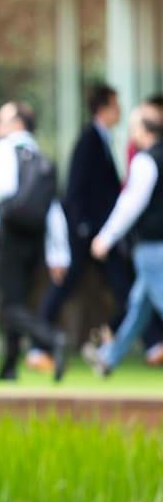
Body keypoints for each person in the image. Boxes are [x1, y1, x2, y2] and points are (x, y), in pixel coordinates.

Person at [29, 85, 163, 371]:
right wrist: (87, 231)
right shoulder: (90, 141)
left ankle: (138, 348)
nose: (121, 114)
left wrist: (106, 235)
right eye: (116, 106)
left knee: (135, 294)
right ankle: (48, 349)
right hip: (87, 233)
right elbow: (79, 190)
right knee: (127, 296)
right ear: (102, 108)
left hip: (109, 236)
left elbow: (125, 202)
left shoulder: (136, 155)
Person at [0, 101, 71, 382]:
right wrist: (59, 254)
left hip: (11, 235)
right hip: (35, 238)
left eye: (2, 120)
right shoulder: (39, 155)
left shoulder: (4, 149)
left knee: (9, 305)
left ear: (18, 124)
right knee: (17, 300)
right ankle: (9, 366)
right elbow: (54, 210)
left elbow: (2, 188)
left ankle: (50, 338)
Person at [84, 103, 163, 376]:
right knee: (139, 306)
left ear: (143, 129)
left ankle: (108, 357)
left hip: (153, 246)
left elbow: (130, 204)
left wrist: (106, 237)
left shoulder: (146, 160)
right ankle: (109, 358)